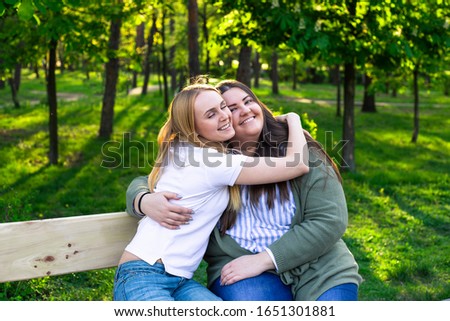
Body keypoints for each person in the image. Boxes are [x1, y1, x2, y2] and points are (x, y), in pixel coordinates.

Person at [126, 80, 363, 301]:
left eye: (248, 101)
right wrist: (143, 200)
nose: (244, 110)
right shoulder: (212, 160)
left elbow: (330, 219)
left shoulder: (299, 148)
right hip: (237, 267)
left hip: (320, 267)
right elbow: (153, 179)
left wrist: (265, 259)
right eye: (231, 107)